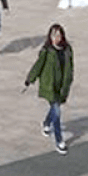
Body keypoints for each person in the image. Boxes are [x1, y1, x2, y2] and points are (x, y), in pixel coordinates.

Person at [24, 23, 74, 155]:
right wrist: (30, 79)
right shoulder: (47, 50)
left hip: (62, 86)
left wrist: (69, 80)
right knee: (57, 112)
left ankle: (46, 122)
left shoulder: (68, 49)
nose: (57, 38)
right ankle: (59, 141)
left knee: (54, 109)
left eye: (59, 35)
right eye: (54, 35)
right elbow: (38, 65)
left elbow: (71, 67)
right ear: (50, 37)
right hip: (50, 85)